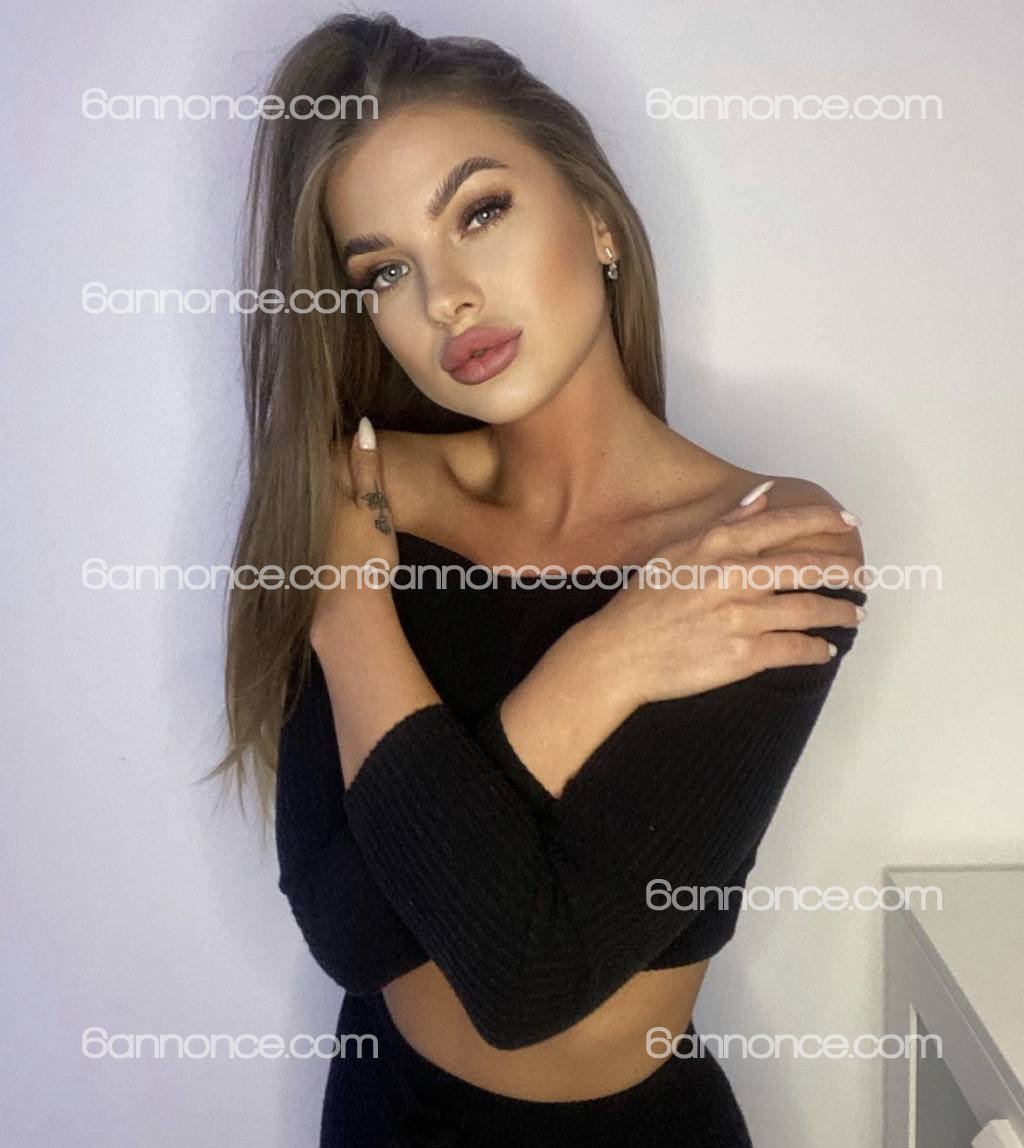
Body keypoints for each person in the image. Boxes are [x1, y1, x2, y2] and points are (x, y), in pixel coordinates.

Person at [208, 12, 869, 1146]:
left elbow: (527, 979)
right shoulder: (355, 487)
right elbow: (352, 931)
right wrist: (598, 660)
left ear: (597, 219)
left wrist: (368, 612)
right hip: (378, 1113)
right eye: (386, 269)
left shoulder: (766, 545)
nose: (446, 297)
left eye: (480, 212)